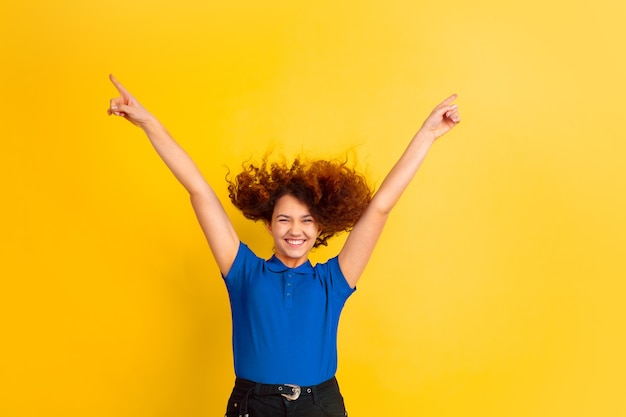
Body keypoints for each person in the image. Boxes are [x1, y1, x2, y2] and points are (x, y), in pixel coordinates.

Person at [107, 74, 461, 417]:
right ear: (268, 222)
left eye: (307, 220)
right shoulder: (243, 270)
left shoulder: (332, 281)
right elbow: (199, 190)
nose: (296, 230)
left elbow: (381, 206)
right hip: (252, 405)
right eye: (284, 219)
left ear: (320, 225)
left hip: (319, 406)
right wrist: (147, 122)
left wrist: (427, 134)